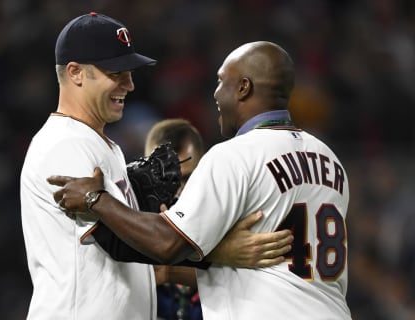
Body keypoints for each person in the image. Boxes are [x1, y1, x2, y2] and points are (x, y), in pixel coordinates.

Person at [48, 41, 351, 319]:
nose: (217, 93)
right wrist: (220, 253)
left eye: (222, 81)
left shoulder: (235, 155)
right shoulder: (329, 159)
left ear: (244, 88)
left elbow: (167, 243)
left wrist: (96, 199)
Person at [21, 11, 293, 319]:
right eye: (116, 73)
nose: (130, 84)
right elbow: (118, 244)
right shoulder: (65, 144)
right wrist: (219, 250)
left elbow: (133, 262)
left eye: (130, 72)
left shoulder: (98, 145)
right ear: (75, 73)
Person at [144, 119, 205, 320]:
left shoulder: (227, 226)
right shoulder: (129, 229)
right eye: (165, 179)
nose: (177, 192)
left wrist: (169, 273)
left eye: (186, 178)